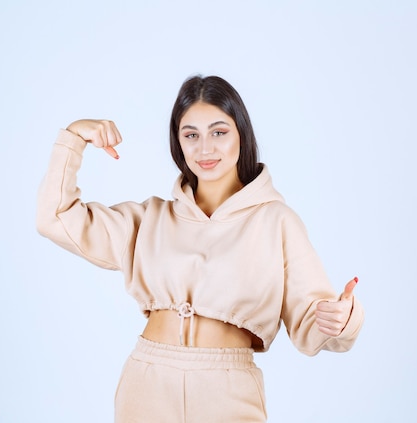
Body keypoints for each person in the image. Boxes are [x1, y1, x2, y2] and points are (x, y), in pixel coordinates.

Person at [36, 75, 364, 422]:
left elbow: (313, 321)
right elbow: (55, 218)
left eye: (219, 132)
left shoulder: (276, 221)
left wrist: (343, 319)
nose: (205, 148)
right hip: (147, 384)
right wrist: (72, 139)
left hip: (227, 392)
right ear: (178, 143)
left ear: (241, 134)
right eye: (191, 135)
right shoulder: (149, 219)